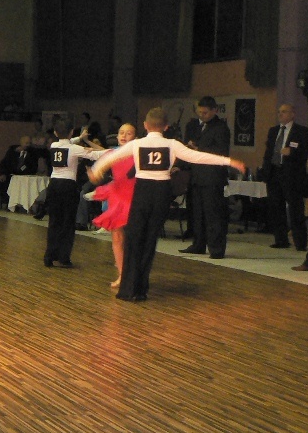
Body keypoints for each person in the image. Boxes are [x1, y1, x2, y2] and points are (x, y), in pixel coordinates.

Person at [89, 107, 245, 302]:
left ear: (145, 126)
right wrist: (229, 161)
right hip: (162, 193)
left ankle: (128, 289)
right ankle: (141, 289)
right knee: (150, 240)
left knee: (135, 238)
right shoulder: (172, 144)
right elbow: (198, 157)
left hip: (142, 191)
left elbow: (112, 157)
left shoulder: (137, 144)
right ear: (166, 127)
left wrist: (96, 171)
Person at [43, 118, 104, 268]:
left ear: (55, 132)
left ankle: (49, 256)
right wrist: (113, 151)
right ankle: (63, 258)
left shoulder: (53, 145)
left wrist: (79, 138)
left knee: (54, 221)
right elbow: (95, 155)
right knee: (68, 222)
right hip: (68, 186)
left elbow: (67, 142)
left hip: (53, 185)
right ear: (71, 132)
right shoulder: (75, 149)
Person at [178, 97, 232, 259]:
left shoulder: (221, 127)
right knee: (197, 213)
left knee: (213, 214)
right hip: (196, 175)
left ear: (215, 110)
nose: (202, 115)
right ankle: (198, 244)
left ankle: (216, 249)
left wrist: (198, 149)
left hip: (212, 177)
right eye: (200, 112)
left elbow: (221, 151)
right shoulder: (194, 125)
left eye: (205, 112)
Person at [90, 123, 138, 288]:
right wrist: (95, 175)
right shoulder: (112, 153)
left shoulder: (139, 152)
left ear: (135, 137)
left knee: (133, 237)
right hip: (118, 197)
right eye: (121, 133)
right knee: (117, 236)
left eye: (128, 133)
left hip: (135, 197)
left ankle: (133, 273)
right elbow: (97, 171)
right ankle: (122, 275)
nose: (124, 136)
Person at [262, 104, 308, 251]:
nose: (280, 114)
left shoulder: (302, 131)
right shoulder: (273, 131)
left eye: (284, 112)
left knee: (295, 209)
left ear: (292, 114)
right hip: (274, 174)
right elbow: (268, 153)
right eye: (279, 112)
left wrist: (292, 152)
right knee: (276, 208)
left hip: (292, 176)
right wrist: (265, 171)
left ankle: (300, 242)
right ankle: (281, 240)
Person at [0, 135, 39, 202]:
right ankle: (8, 202)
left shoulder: (33, 153)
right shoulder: (12, 151)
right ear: (21, 143)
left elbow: (34, 166)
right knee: (4, 183)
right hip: (11, 176)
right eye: (26, 143)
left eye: (29, 143)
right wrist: (3, 174)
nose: (28, 145)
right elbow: (4, 163)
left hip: (25, 177)